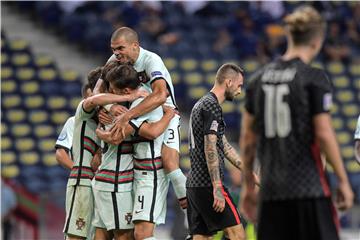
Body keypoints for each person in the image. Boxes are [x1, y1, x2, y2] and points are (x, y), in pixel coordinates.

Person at [240, 6, 354, 240]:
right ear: (317, 41)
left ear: (289, 35)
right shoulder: (313, 78)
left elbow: (248, 140)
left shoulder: (257, 80)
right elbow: (323, 134)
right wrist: (342, 180)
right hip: (309, 188)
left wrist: (248, 187)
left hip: (271, 191)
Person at [96, 26, 187, 209]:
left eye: (120, 48)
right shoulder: (113, 60)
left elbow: (161, 95)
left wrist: (127, 115)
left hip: (164, 111)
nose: (116, 53)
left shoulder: (151, 60)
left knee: (170, 163)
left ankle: (191, 210)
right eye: (113, 49)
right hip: (135, 110)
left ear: (135, 46)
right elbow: (97, 90)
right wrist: (109, 106)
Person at [63, 66, 144, 240]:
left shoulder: (106, 119)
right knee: (77, 235)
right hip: (83, 182)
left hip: (97, 182)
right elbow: (93, 100)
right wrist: (128, 97)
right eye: (110, 91)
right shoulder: (83, 113)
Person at [96, 64, 175, 240]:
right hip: (138, 172)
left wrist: (100, 132)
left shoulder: (141, 103)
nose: (110, 92)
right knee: (133, 233)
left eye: (113, 88)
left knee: (141, 234)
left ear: (125, 90)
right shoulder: (133, 101)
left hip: (151, 173)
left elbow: (149, 132)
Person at [186, 63, 246, 240]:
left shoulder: (201, 104)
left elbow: (224, 146)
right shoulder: (212, 106)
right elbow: (210, 146)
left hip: (194, 185)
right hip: (208, 184)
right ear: (228, 82)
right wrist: (217, 187)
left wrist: (249, 173)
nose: (239, 91)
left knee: (201, 238)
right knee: (237, 235)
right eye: (239, 85)